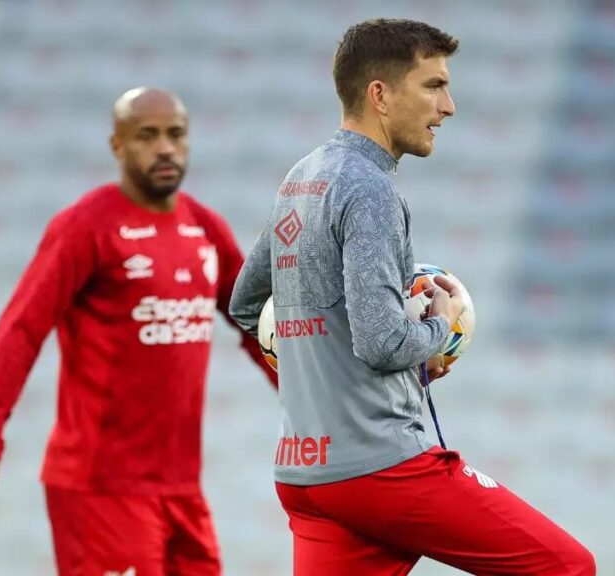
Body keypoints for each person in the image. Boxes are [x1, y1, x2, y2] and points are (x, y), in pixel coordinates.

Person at [229, 19, 595, 575]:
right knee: (567, 567)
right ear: (379, 94)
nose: (448, 106)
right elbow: (381, 343)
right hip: (382, 469)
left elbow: (246, 304)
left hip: (308, 475)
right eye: (432, 86)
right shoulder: (370, 188)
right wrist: (437, 331)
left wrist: (325, 376)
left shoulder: (302, 179)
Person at [0, 87, 278, 576]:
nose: (165, 147)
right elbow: (20, 333)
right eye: (147, 135)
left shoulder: (203, 227)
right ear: (117, 146)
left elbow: (255, 327)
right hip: (101, 488)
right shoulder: (86, 228)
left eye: (176, 134)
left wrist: (315, 405)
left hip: (182, 488)